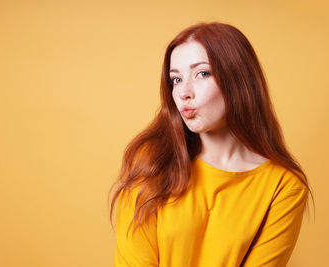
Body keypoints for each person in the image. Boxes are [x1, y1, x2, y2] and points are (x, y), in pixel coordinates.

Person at [109, 21, 314, 267]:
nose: (184, 92)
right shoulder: (152, 161)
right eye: (176, 79)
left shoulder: (283, 186)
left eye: (202, 73)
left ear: (238, 80)